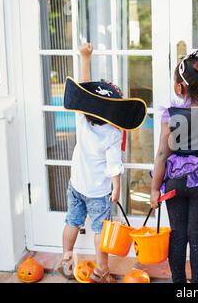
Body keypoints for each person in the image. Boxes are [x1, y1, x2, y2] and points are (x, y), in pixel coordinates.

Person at [150, 51, 198, 283]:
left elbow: (163, 153)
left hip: (176, 181)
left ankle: (179, 283)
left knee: (178, 235)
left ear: (180, 88)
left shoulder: (172, 115)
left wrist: (154, 189)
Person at [57, 43, 125, 283]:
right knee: (101, 230)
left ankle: (66, 257)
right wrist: (116, 188)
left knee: (72, 222)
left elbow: (84, 88)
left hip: (77, 185)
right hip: (98, 192)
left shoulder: (82, 121)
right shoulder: (113, 134)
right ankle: (101, 270)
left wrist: (84, 58)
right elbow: (114, 165)